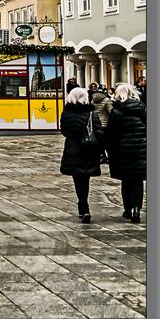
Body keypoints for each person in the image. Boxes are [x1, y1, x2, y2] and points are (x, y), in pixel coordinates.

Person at [59, 87, 103, 223]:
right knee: (86, 178)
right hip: (88, 150)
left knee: (77, 178)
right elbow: (99, 132)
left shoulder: (66, 113)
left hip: (73, 148)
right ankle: (84, 206)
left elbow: (64, 131)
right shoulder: (91, 113)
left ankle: (83, 206)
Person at [105, 83, 146, 223]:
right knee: (138, 180)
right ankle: (136, 209)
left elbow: (111, 134)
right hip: (141, 149)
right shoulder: (142, 108)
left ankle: (128, 209)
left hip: (122, 150)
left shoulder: (116, 111)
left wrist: (110, 151)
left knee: (126, 180)